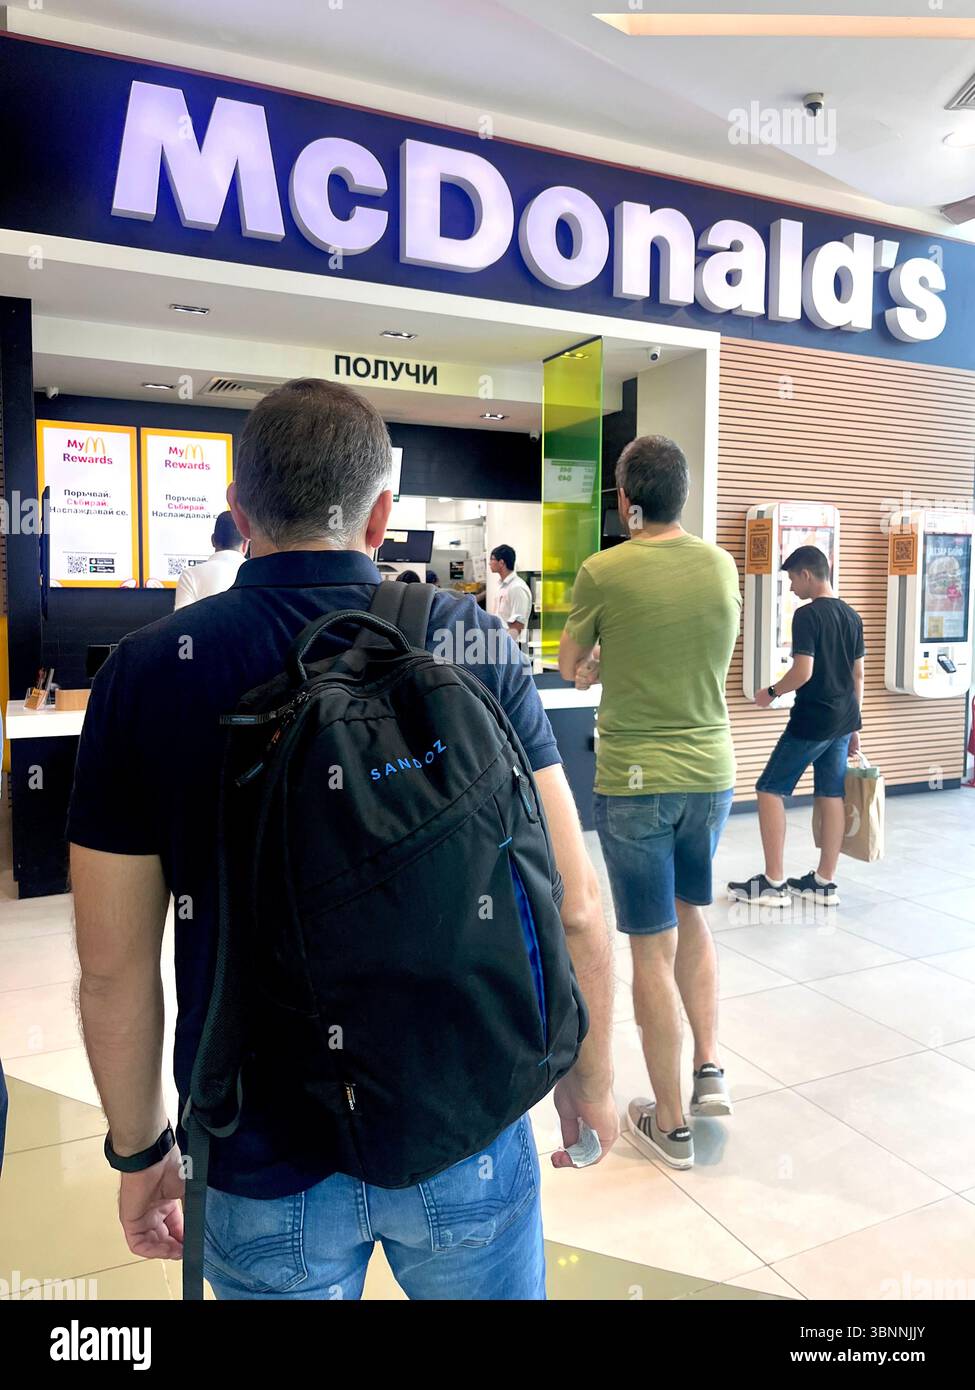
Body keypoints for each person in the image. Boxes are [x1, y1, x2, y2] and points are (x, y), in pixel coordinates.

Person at [68, 378, 617, 1302]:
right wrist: (587, 1082)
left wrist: (139, 1147)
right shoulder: (468, 641)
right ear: (380, 518)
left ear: (240, 513)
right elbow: (575, 902)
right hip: (464, 1121)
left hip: (254, 1150)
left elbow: (113, 967)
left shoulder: (149, 671)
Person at [559, 435, 741, 1171]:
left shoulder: (605, 568)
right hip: (711, 772)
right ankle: (708, 1069)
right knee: (691, 916)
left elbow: (572, 668)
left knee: (649, 943)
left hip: (637, 777)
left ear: (627, 501)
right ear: (684, 495)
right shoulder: (719, 563)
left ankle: (668, 1127)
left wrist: (604, 659)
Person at [728, 545, 864, 908]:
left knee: (769, 789)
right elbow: (858, 674)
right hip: (842, 720)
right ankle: (824, 881)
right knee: (831, 794)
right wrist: (855, 727)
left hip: (812, 719)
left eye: (792, 579)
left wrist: (770, 692)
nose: (790, 587)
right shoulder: (852, 616)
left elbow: (803, 672)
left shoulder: (807, 616)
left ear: (807, 574)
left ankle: (773, 882)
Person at [173, 511, 247, 609]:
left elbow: (181, 621)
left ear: (213, 540)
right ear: (246, 544)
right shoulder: (257, 575)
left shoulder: (190, 575)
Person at [489, 545, 532, 642]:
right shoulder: (502, 586)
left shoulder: (517, 588)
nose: (489, 563)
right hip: (500, 643)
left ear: (501, 563)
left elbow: (518, 623)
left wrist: (506, 647)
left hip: (513, 646)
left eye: (492, 559)